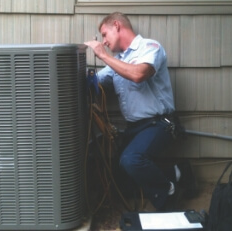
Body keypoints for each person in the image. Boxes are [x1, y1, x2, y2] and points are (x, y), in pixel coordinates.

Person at [84, 12, 183, 210]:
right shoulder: (119, 61)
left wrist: (103, 56)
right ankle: (175, 172)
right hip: (134, 128)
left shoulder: (150, 47)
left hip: (159, 124)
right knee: (118, 174)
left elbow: (139, 74)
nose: (104, 41)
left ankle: (168, 191)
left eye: (105, 34)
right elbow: (94, 83)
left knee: (131, 160)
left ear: (117, 26)